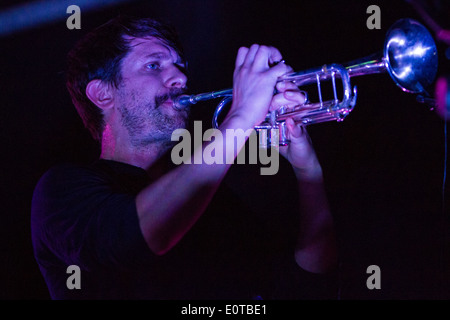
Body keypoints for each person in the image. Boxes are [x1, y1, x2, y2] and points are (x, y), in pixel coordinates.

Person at [31, 15, 338, 300]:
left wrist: (307, 167)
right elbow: (135, 239)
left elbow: (304, 285)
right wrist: (243, 116)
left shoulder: (214, 200)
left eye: (180, 65)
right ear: (102, 94)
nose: (179, 76)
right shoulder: (61, 190)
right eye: (154, 65)